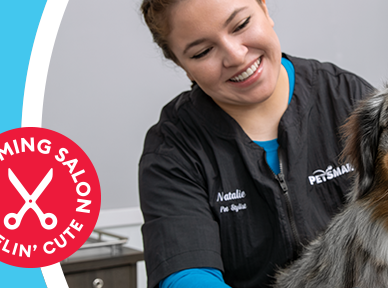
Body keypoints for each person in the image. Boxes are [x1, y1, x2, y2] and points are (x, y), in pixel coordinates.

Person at [138, 0, 374, 287]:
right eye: (202, 52)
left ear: (264, 8)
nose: (235, 56)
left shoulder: (348, 100)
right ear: (184, 67)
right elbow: (189, 274)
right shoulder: (173, 147)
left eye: (241, 25)